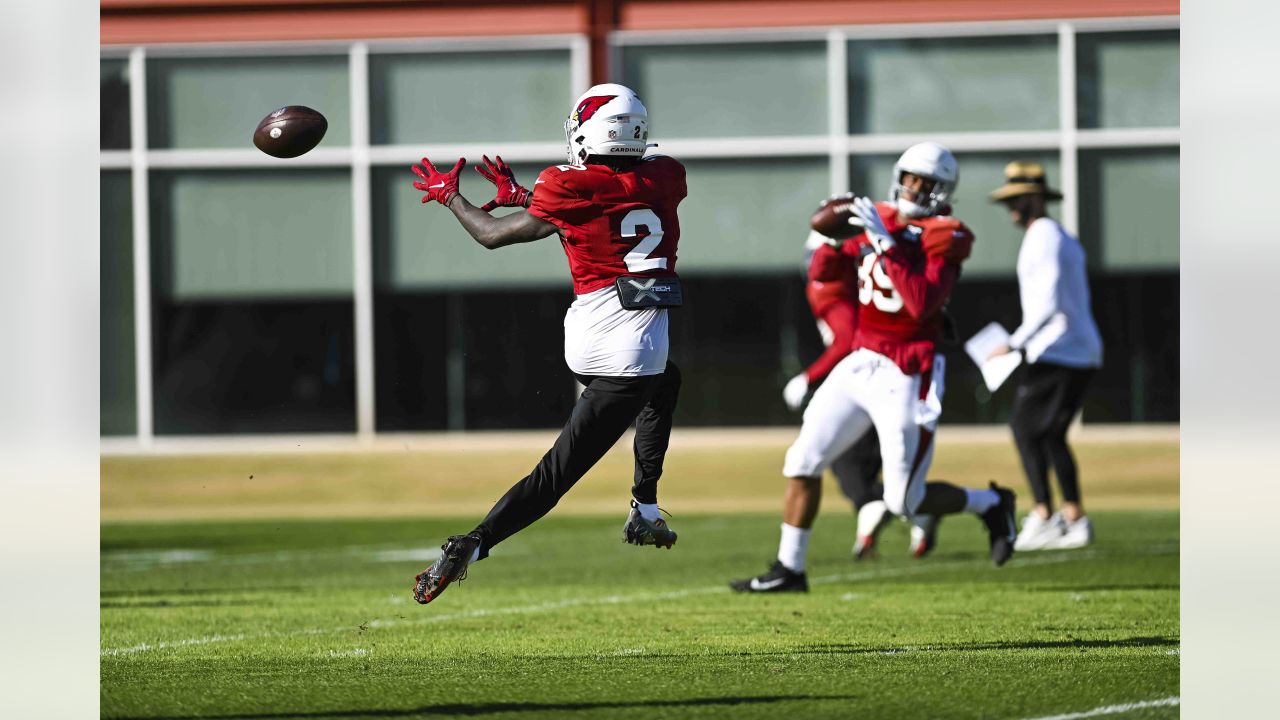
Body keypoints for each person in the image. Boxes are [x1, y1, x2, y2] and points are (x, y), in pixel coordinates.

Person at [408, 83, 686, 605]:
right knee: (555, 475)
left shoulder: (566, 185)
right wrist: (527, 199)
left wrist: (452, 195)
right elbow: (616, 199)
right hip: (630, 350)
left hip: (593, 336)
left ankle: (645, 508)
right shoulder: (667, 176)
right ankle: (473, 543)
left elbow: (492, 233)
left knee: (666, 382)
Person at [732, 142, 1018, 593]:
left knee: (904, 501)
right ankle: (790, 569)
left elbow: (922, 303)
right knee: (802, 461)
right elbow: (827, 275)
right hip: (861, 359)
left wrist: (887, 245)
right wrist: (830, 240)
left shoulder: (947, 233)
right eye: (910, 177)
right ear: (899, 176)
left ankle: (991, 503)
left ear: (944, 190)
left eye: (926, 183)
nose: (915, 188)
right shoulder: (875, 216)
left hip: (909, 370)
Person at [784, 221, 940, 560]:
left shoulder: (832, 290)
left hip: (868, 382)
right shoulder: (851, 282)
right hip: (876, 379)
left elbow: (847, 341)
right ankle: (914, 515)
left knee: (851, 469)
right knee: (874, 472)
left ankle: (890, 516)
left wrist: (809, 377)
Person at [987, 161, 1103, 551]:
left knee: (1024, 429)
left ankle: (1043, 515)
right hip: (1071, 350)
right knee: (1050, 435)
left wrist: (1015, 343)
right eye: (1010, 201)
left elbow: (1049, 300)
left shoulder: (1045, 237)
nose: (1013, 208)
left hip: (1058, 351)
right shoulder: (1057, 236)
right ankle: (1074, 518)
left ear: (1038, 198)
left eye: (1019, 200)